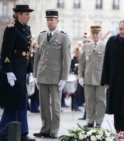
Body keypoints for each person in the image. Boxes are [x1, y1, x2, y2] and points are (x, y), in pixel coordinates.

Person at [33, 9, 71, 139]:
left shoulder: (63, 37)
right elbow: (37, 56)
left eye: (52, 20)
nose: (49, 22)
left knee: (55, 106)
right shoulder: (41, 36)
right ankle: (45, 129)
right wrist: (35, 75)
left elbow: (67, 59)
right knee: (43, 106)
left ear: (57, 21)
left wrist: (64, 78)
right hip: (42, 75)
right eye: (48, 20)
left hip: (56, 78)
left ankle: (54, 130)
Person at [0, 5, 35, 141]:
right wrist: (8, 71)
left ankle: (21, 132)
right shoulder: (11, 29)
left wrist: (30, 71)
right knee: (14, 102)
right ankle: (7, 131)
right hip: (13, 69)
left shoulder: (27, 29)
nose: (28, 16)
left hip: (22, 69)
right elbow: (5, 52)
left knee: (21, 101)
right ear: (19, 15)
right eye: (26, 14)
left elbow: (28, 52)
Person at [78, 25, 106, 128]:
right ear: (91, 34)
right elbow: (81, 63)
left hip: (100, 79)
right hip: (88, 78)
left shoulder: (105, 46)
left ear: (100, 35)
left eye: (97, 34)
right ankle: (90, 120)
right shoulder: (86, 46)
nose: (95, 36)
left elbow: (108, 64)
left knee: (101, 101)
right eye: (93, 34)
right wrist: (80, 76)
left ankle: (99, 122)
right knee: (89, 101)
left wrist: (107, 79)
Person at [28, 37, 40, 113]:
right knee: (34, 93)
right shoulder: (32, 55)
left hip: (37, 75)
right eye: (34, 47)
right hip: (32, 75)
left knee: (37, 93)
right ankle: (34, 107)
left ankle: (35, 107)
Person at [69, 47, 82, 111]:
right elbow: (71, 69)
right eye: (76, 53)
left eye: (78, 53)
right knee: (73, 93)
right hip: (74, 77)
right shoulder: (72, 61)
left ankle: (76, 105)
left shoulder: (80, 60)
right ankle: (73, 106)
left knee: (78, 93)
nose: (77, 54)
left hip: (79, 77)